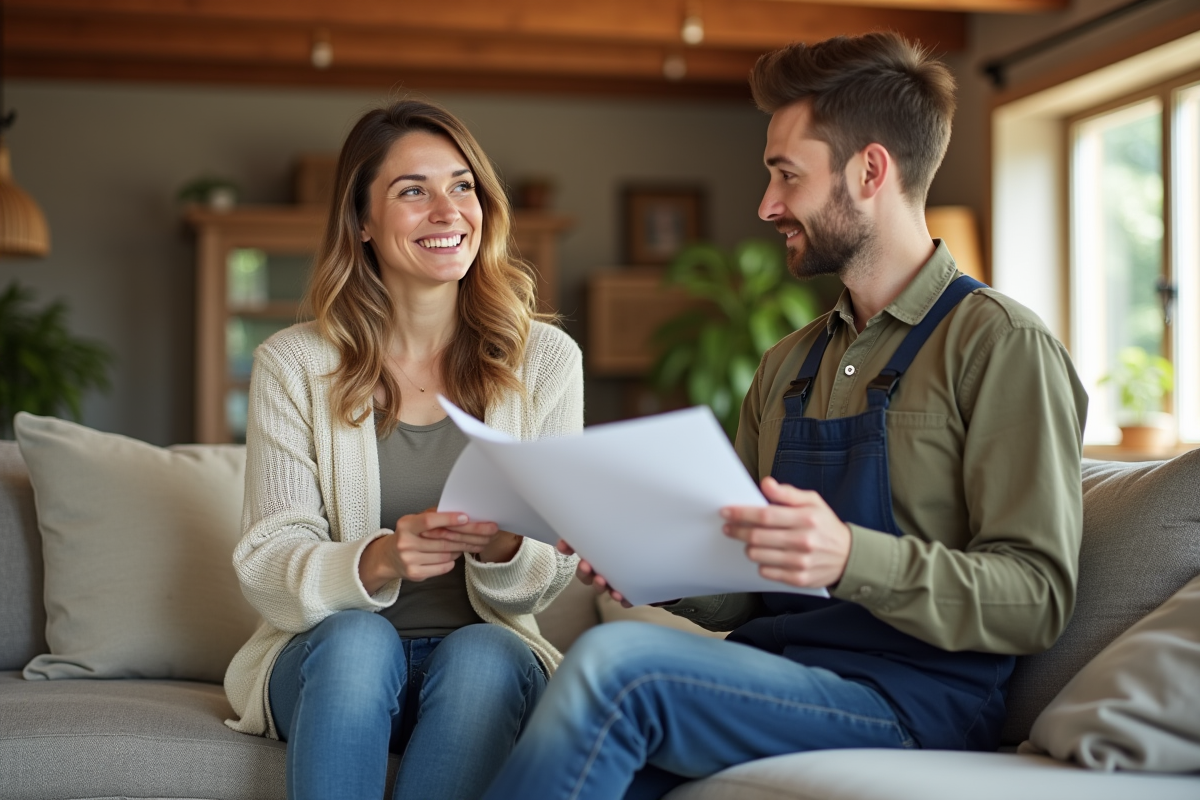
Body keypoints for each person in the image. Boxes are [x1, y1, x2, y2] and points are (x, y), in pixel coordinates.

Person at [481, 31, 1088, 800]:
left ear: (871, 170)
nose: (767, 205)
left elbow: (1037, 597)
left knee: (615, 667)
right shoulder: (786, 366)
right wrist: (650, 561)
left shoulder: (1001, 346)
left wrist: (847, 558)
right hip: (775, 676)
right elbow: (740, 588)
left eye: (785, 175)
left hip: (912, 702)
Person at [222, 99, 583, 800]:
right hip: (334, 665)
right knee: (361, 641)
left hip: (490, 662)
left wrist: (508, 544)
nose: (448, 211)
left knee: (484, 652)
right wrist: (380, 557)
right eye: (412, 191)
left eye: (462, 185)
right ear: (361, 222)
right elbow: (267, 561)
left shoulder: (546, 362)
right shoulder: (292, 364)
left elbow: (551, 569)